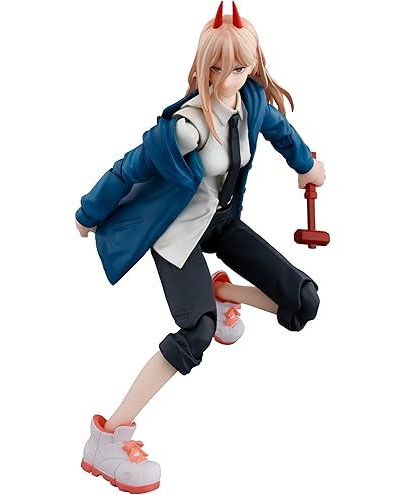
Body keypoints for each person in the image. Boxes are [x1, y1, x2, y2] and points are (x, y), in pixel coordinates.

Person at [75, 2, 326, 493]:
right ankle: (107, 438)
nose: (229, 78)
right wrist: (88, 212)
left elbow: (282, 132)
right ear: (203, 65)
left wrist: (307, 167)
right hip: (179, 234)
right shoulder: (187, 127)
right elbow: (128, 168)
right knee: (198, 331)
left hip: (221, 221)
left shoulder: (251, 102)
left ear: (252, 64)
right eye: (218, 68)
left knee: (304, 300)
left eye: (239, 68)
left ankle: (222, 291)